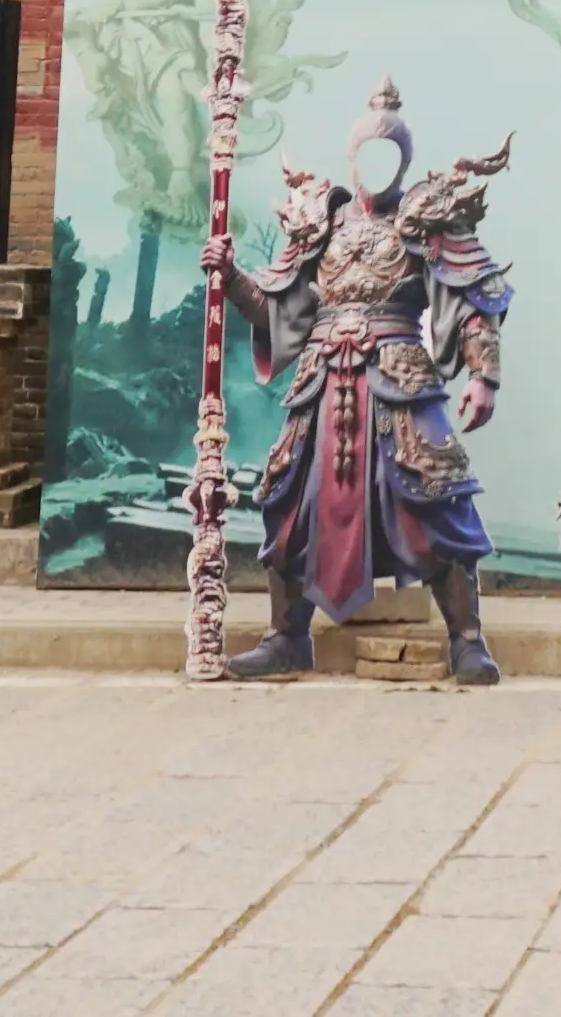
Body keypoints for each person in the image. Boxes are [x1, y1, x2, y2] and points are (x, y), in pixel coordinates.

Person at [203, 80, 515, 684]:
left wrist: (484, 375)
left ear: (403, 160)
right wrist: (231, 276)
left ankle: (467, 640)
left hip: (399, 377)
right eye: (367, 153)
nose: (377, 166)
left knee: (437, 500)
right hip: (321, 381)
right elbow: (277, 310)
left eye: (388, 154)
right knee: (290, 502)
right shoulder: (319, 222)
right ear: (351, 158)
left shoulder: (426, 220)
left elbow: (474, 299)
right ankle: (287, 637)